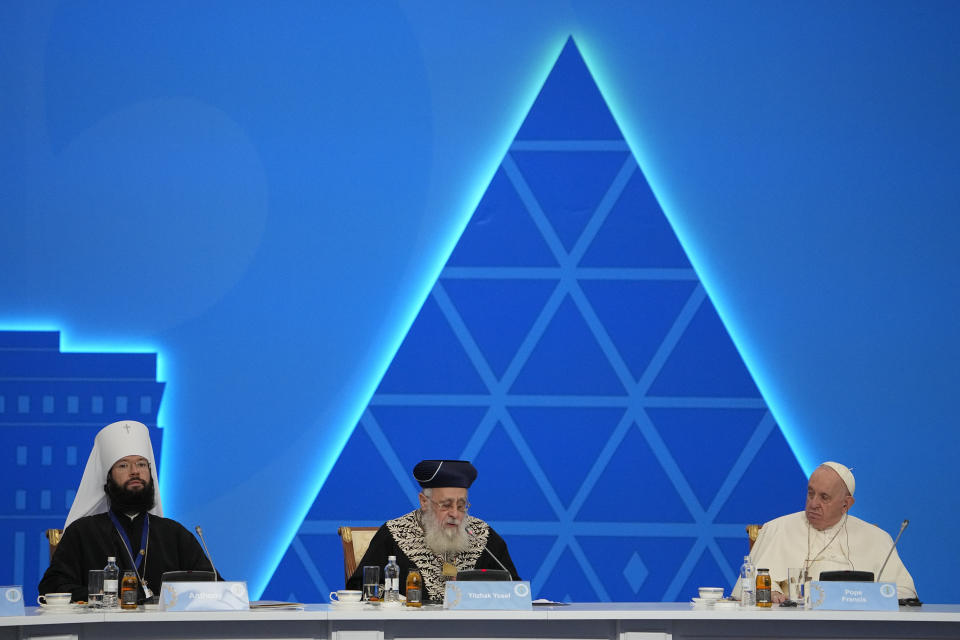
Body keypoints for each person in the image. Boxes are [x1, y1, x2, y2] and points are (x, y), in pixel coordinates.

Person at [39, 420, 217, 602]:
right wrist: (107, 598)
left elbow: (214, 586)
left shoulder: (174, 533)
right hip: (102, 628)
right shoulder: (82, 533)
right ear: (108, 479)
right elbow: (52, 586)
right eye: (123, 465)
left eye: (141, 464)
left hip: (166, 629)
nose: (135, 472)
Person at [736, 461, 916, 602]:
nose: (813, 503)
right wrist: (770, 591)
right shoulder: (777, 528)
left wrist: (869, 597)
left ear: (846, 504)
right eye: (810, 493)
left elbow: (905, 592)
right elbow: (746, 587)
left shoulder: (876, 538)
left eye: (824, 497)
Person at [346, 459, 520, 603]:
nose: (454, 514)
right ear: (424, 502)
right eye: (446, 505)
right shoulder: (394, 533)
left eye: (461, 506)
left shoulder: (483, 535)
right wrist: (396, 600)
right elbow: (359, 589)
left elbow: (514, 590)